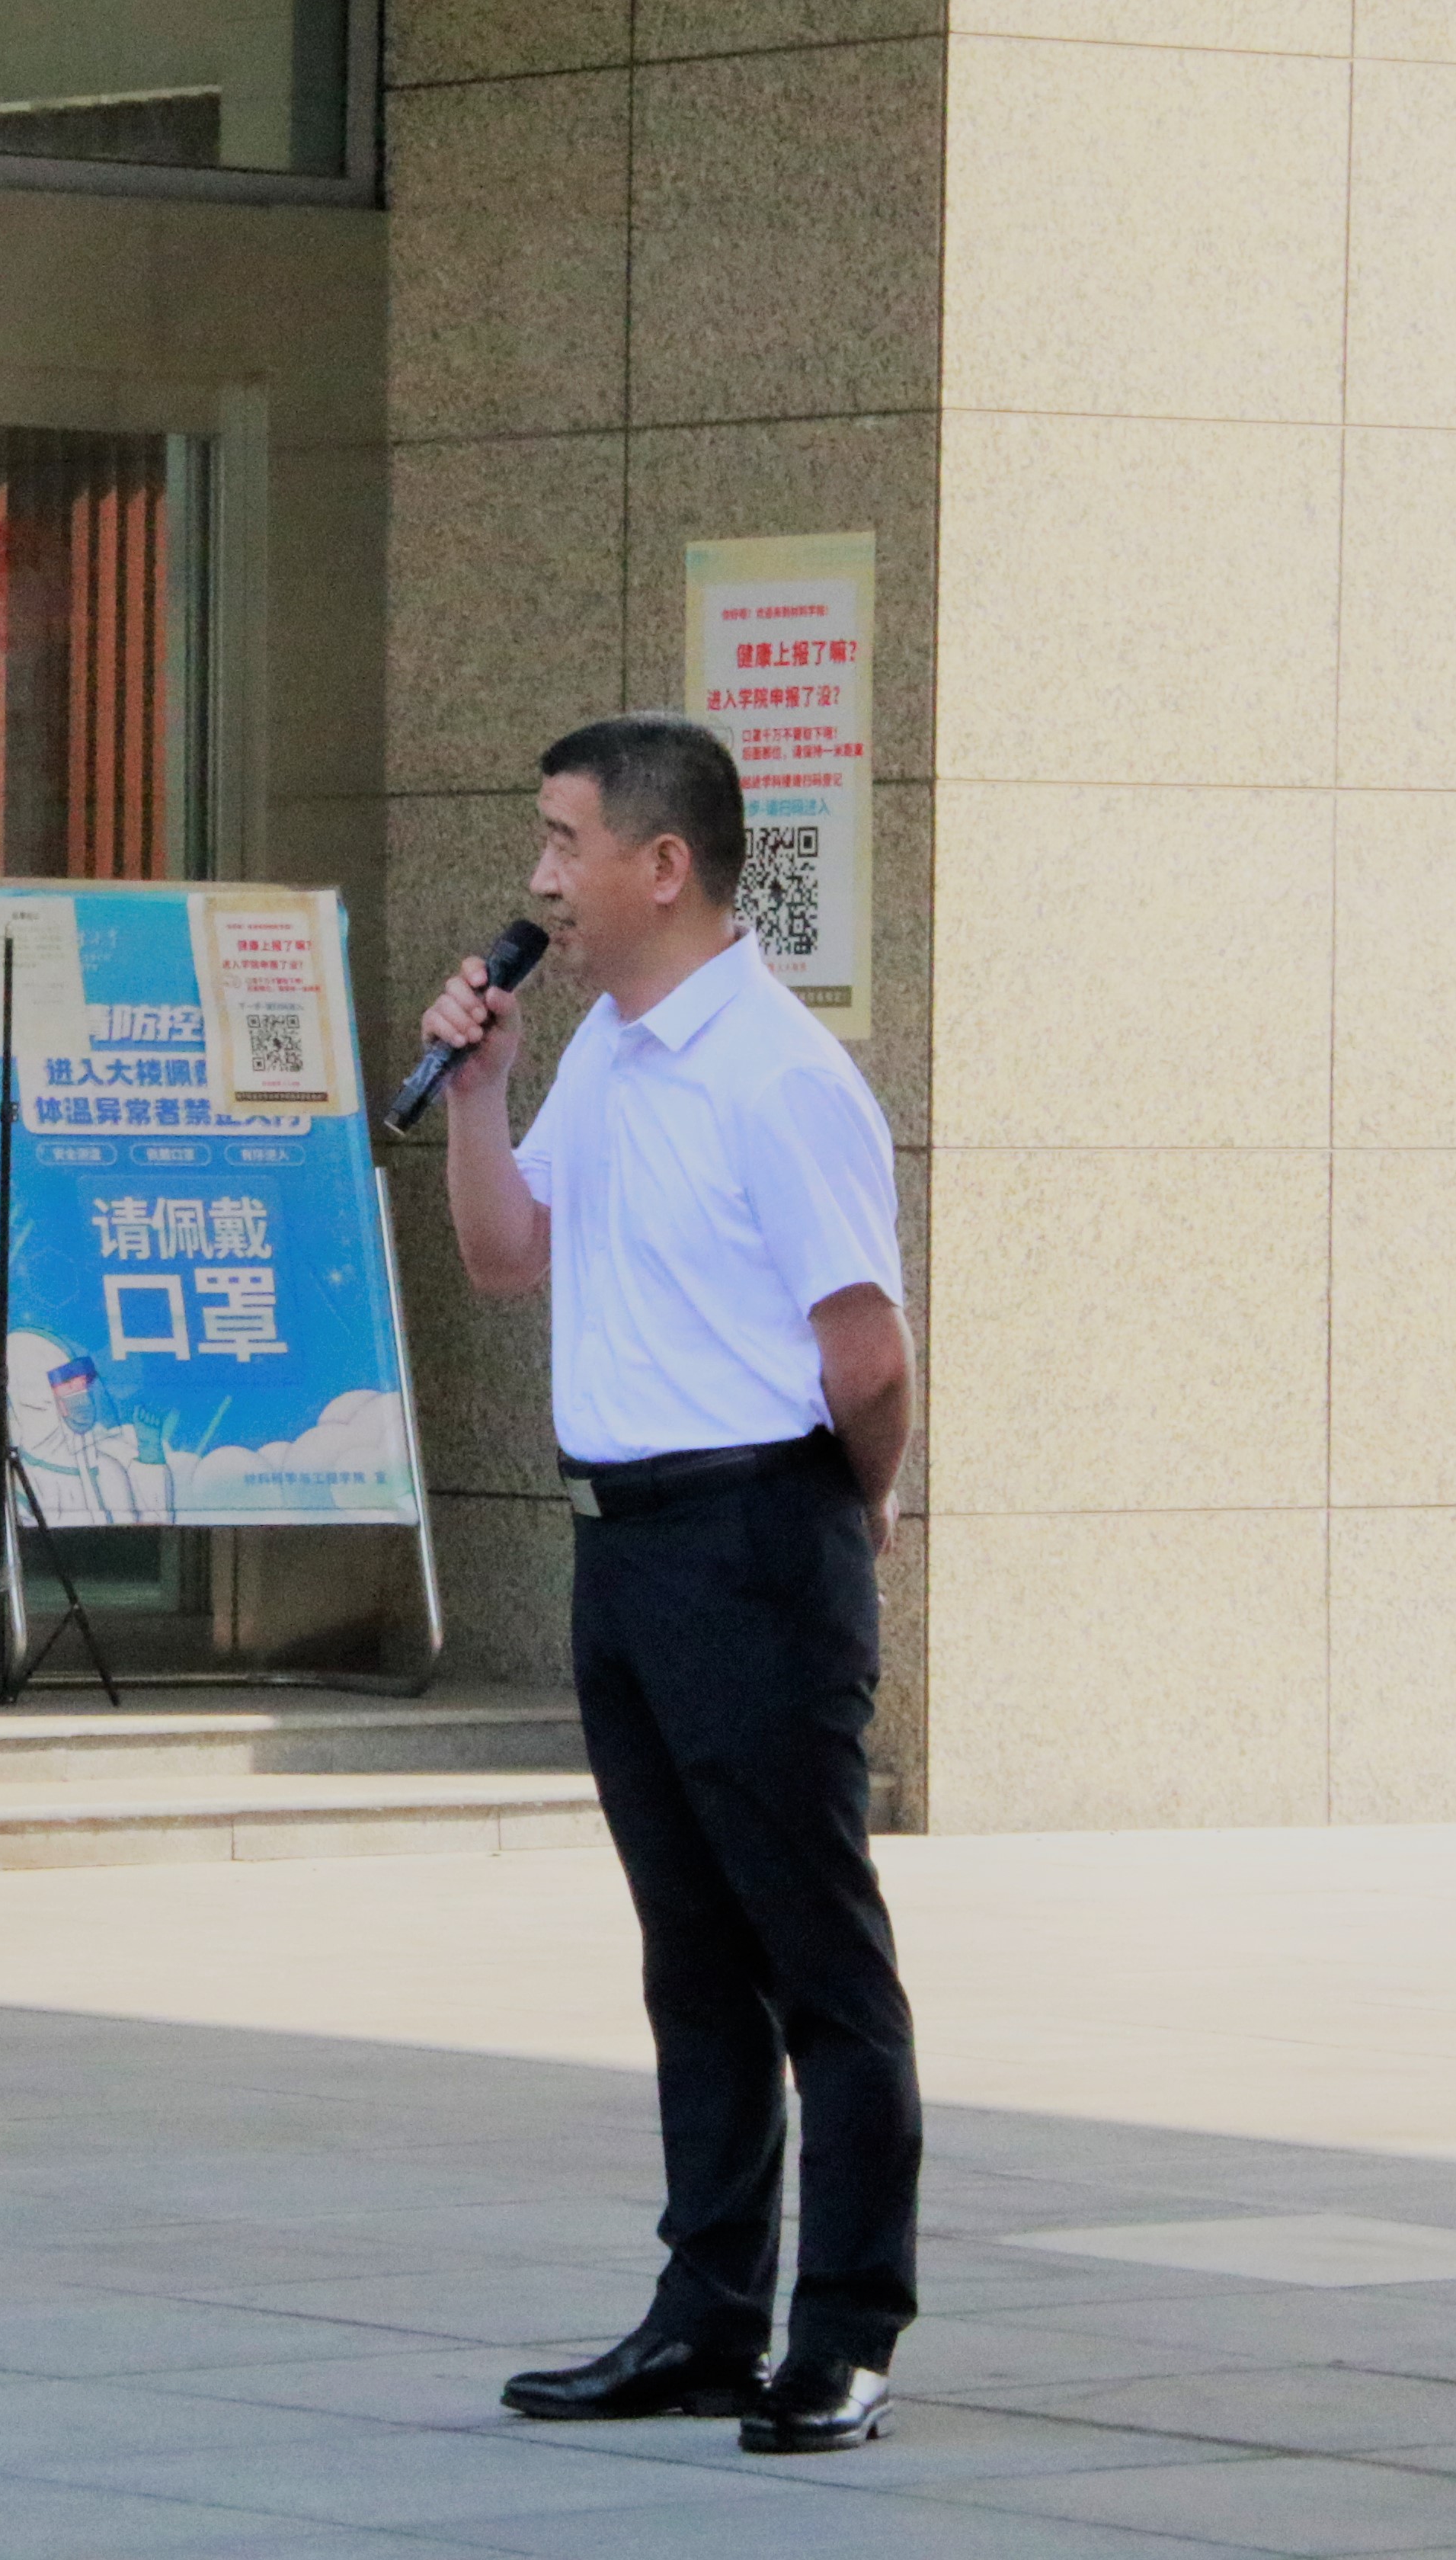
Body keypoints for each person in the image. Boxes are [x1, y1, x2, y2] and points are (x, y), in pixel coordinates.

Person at [418, 714, 920, 2455]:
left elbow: (866, 1349)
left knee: (814, 1958)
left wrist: (848, 1513)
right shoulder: (612, 1053)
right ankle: (706, 2316)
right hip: (623, 1544)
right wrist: (476, 1093)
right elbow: (507, 1256)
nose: (538, 878)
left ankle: (843, 2330)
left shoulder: (778, 1075)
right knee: (690, 1955)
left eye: (563, 842)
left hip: (756, 1535)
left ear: (662, 864)